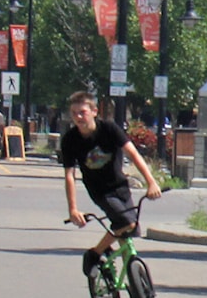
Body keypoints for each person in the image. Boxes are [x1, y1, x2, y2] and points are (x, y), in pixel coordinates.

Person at [62, 91, 161, 277]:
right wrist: (73, 209)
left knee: (128, 233)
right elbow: (69, 175)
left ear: (94, 111)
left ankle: (133, 283)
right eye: (74, 113)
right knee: (126, 224)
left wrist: (151, 182)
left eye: (82, 112)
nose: (78, 117)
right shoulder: (70, 140)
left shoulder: (109, 129)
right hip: (101, 192)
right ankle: (94, 253)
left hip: (121, 187)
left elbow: (133, 154)